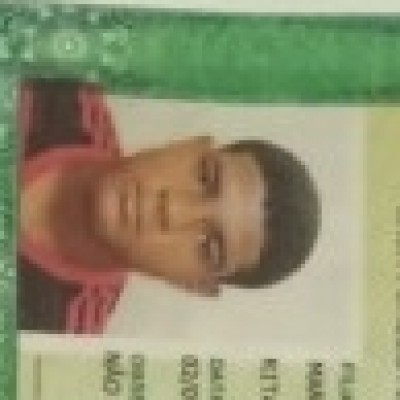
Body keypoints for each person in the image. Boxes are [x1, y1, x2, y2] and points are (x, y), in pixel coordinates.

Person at [18, 79, 320, 335]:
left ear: (191, 284)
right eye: (205, 177)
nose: (172, 210)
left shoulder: (49, 344)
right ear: (191, 144)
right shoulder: (49, 79)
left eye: (207, 247)